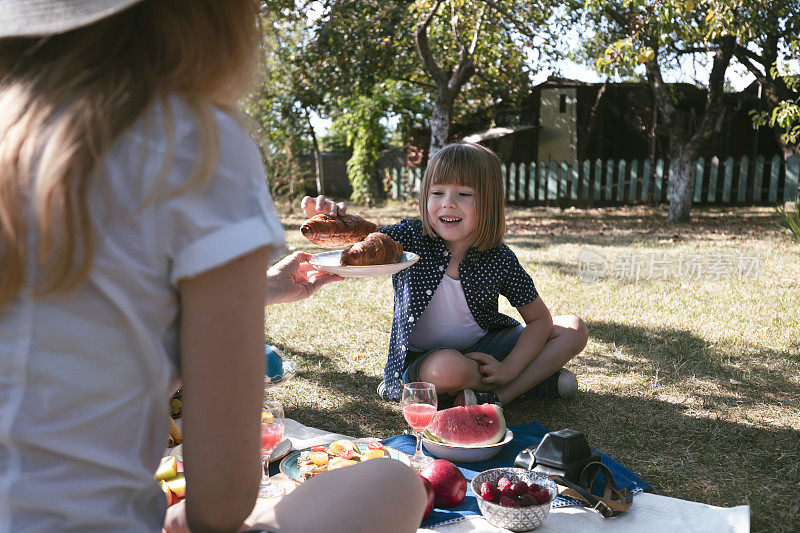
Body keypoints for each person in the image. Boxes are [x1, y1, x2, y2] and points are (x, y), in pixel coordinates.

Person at [0, 1, 425, 532]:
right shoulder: (194, 145)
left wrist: (261, 291)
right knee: (390, 485)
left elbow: (70, 359)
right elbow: (222, 498)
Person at [302, 142, 589, 407]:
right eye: (437, 193)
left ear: (488, 202)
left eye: (463, 194)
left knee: (573, 328)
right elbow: (364, 244)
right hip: (427, 362)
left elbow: (539, 320)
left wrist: (509, 368)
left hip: (487, 350)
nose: (448, 203)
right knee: (446, 368)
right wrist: (331, 217)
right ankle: (537, 382)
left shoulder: (499, 257)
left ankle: (500, 396)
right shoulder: (410, 237)